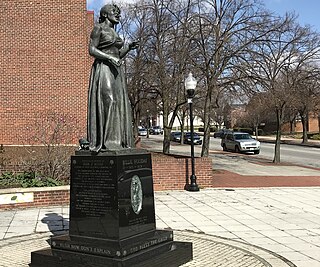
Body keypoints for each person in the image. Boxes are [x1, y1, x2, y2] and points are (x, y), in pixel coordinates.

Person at [87, 4, 139, 152]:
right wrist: (109, 58)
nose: (117, 15)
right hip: (103, 68)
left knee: (120, 104)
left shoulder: (114, 32)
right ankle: (107, 142)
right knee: (109, 100)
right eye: (114, 12)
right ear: (104, 14)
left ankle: (118, 141)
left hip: (116, 70)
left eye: (118, 13)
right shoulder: (99, 28)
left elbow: (118, 55)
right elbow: (91, 49)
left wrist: (128, 47)